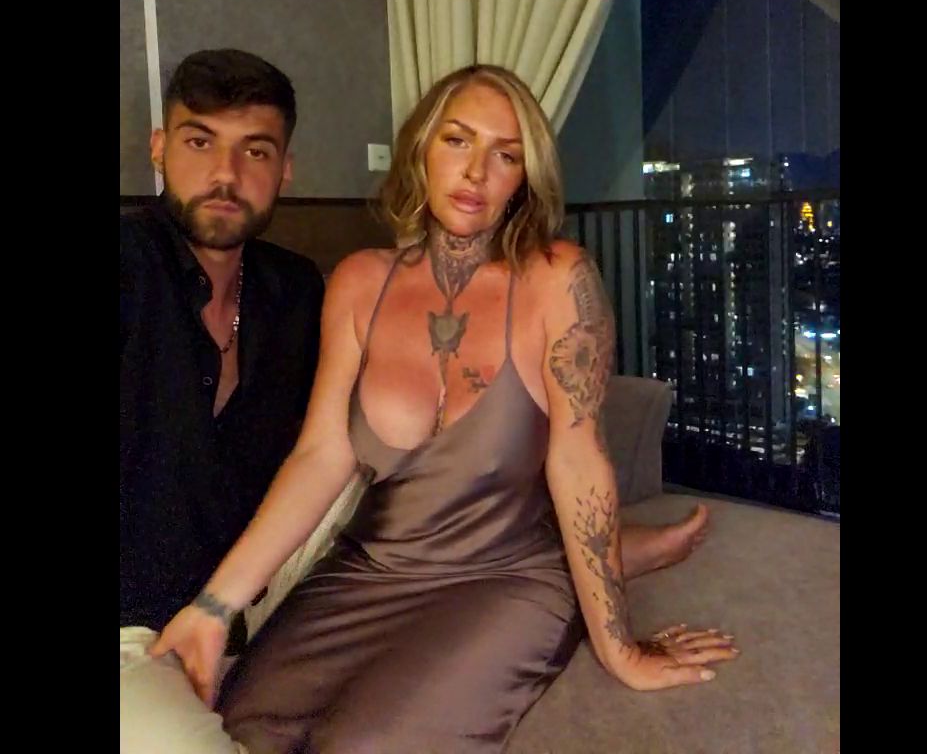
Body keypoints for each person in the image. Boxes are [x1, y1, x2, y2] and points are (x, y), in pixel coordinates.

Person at [152, 64, 737, 754]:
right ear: (422, 150)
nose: (476, 171)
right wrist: (214, 608)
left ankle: (606, 561)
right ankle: (628, 549)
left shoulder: (556, 277)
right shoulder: (359, 282)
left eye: (506, 154)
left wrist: (620, 648)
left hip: (506, 575)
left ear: (525, 178)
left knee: (361, 744)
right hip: (368, 569)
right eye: (457, 141)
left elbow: (580, 461)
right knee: (242, 730)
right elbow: (322, 455)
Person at [120, 48, 347, 754]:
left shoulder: (295, 291)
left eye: (255, 150)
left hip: (249, 599)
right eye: (199, 142)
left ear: (285, 169)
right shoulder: (129, 267)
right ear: (159, 149)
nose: (226, 174)